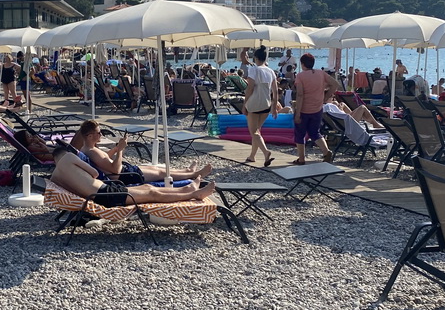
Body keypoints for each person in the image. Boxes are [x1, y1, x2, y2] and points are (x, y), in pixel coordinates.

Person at [49, 145, 216, 206]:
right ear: (65, 153)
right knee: (152, 193)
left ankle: (188, 188)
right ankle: (193, 193)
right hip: (104, 193)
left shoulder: (55, 176)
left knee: (149, 188)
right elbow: (93, 173)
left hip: (101, 193)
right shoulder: (70, 158)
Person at [75, 120, 212, 183]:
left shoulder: (87, 149)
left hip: (126, 171)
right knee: (161, 172)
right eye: (99, 133)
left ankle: (187, 171)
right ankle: (195, 174)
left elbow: (104, 160)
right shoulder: (92, 151)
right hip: (125, 176)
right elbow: (115, 169)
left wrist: (116, 148)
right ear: (90, 136)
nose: (101, 135)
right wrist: (121, 151)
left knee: (154, 167)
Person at [292, 53, 339, 165]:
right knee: (315, 133)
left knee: (300, 134)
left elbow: (300, 95)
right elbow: (335, 84)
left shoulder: (300, 76)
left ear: (302, 64)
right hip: (317, 108)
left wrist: (297, 113)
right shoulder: (320, 73)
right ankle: (326, 152)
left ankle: (301, 158)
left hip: (304, 109)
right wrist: (326, 97)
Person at [239, 46, 278, 166]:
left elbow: (250, 88)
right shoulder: (271, 71)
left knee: (254, 132)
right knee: (257, 131)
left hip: (254, 103)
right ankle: (252, 156)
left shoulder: (254, 70)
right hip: (266, 104)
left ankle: (266, 152)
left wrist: (245, 104)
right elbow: (275, 91)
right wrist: (274, 107)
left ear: (255, 58)